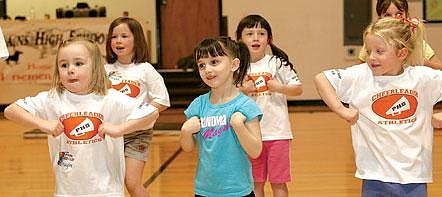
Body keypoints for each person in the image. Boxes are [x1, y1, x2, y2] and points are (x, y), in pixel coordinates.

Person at [314, 16, 442, 196]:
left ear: (401, 54)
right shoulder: (361, 76)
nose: (371, 57)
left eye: (379, 51)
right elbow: (321, 79)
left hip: (413, 175)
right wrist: (341, 110)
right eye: (368, 50)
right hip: (374, 174)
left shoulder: (420, 78)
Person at [3, 38, 159, 196]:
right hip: (66, 192)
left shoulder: (110, 98)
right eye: (64, 65)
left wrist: (120, 129)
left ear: (96, 67)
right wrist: (42, 124)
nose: (70, 70)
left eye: (78, 64)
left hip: (106, 191)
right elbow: (11, 110)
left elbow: (151, 113)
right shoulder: (52, 98)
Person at [179, 36, 262, 197]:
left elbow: (255, 150)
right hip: (204, 190)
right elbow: (187, 147)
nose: (207, 69)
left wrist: (238, 126)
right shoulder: (198, 105)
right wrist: (185, 131)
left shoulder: (245, 106)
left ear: (234, 64)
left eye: (214, 62)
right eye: (202, 65)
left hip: (238, 191)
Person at [235, 14, 303, 197]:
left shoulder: (277, 63)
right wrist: (243, 90)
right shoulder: (236, 67)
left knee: (278, 183)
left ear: (269, 39)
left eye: (261, 33)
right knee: (255, 184)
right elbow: (227, 97)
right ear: (240, 39)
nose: (255, 38)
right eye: (249, 33)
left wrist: (279, 87)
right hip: (250, 135)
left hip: (277, 133)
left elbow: (298, 89)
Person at [105, 16, 170, 197]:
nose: (118, 40)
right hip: (110, 135)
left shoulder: (146, 69)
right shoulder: (105, 70)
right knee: (110, 182)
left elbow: (162, 101)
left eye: (124, 36)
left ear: (137, 39)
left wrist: (141, 115)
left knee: (132, 182)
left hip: (137, 134)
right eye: (114, 36)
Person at [357, 0, 442, 70]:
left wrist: (420, 62)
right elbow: (357, 70)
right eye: (387, 15)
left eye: (399, 14)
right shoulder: (372, 43)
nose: (394, 19)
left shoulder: (417, 43)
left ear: (407, 16)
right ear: (379, 18)